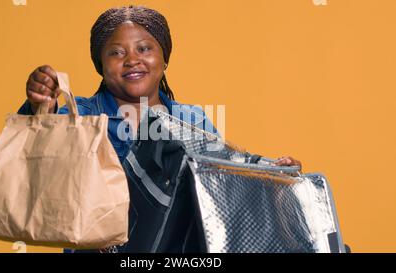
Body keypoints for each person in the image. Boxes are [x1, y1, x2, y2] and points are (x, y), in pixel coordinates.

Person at [17, 5, 302, 252]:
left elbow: (223, 181)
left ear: (164, 58)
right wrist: (42, 105)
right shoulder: (81, 116)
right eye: (116, 53)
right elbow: (39, 144)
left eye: (144, 48)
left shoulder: (192, 120)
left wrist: (272, 175)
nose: (131, 59)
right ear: (100, 65)